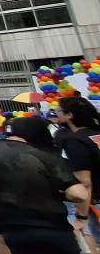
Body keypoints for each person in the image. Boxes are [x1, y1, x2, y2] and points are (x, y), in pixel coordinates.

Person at [0, 116, 88, 254]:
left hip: (13, 228)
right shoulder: (49, 155)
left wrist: (4, 180)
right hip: (53, 226)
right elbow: (79, 194)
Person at [55, 97, 100, 243]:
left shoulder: (76, 141)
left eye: (59, 110)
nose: (56, 113)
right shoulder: (95, 134)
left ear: (69, 115)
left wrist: (82, 217)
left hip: (95, 202)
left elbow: (84, 182)